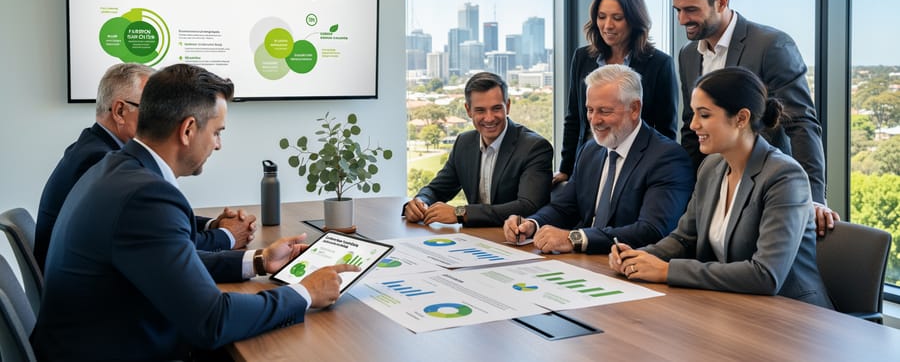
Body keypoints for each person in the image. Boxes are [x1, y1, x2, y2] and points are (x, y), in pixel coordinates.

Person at [31, 64, 359, 360]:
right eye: (217, 132)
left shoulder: (116, 167)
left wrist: (259, 261)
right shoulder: (146, 195)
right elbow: (211, 320)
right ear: (188, 130)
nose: (218, 145)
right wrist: (305, 293)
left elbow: (170, 261)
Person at [610, 67, 833, 308]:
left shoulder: (784, 177)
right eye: (694, 113)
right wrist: (637, 257)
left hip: (793, 317)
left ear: (741, 118)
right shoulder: (711, 167)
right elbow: (684, 239)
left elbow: (766, 275)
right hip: (732, 307)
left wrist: (667, 271)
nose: (693, 124)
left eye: (704, 115)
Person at [669, 0, 838, 236]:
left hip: (767, 192)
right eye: (677, 10)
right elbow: (691, 129)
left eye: (691, 10)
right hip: (716, 192)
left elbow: (801, 125)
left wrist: (813, 198)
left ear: (721, 2)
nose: (682, 20)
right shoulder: (688, 55)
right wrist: (691, 194)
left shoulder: (771, 45)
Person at [34, 63, 255, 271]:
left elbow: (156, 224)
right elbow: (169, 247)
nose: (163, 117)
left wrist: (212, 226)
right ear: (120, 111)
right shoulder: (101, 162)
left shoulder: (98, 149)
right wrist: (229, 235)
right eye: (151, 107)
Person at [504, 65, 694, 254]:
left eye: (604, 111)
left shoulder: (667, 158)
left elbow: (652, 230)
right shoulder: (590, 150)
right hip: (585, 263)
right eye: (590, 110)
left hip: (630, 266)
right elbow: (564, 207)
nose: (594, 120)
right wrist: (531, 224)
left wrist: (576, 239)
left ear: (634, 108)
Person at [555, 0, 678, 185]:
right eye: (602, 17)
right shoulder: (582, 58)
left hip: (635, 169)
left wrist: (658, 175)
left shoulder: (659, 64)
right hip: (587, 164)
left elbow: (666, 130)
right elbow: (574, 119)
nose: (607, 25)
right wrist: (566, 169)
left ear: (633, 20)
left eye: (617, 18)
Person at [404, 72, 553, 227]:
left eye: (496, 108)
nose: (489, 118)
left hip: (517, 241)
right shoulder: (464, 143)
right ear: (468, 110)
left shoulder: (534, 148)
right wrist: (421, 202)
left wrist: (461, 213)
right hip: (475, 239)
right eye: (480, 110)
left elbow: (528, 206)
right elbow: (437, 190)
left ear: (507, 106)